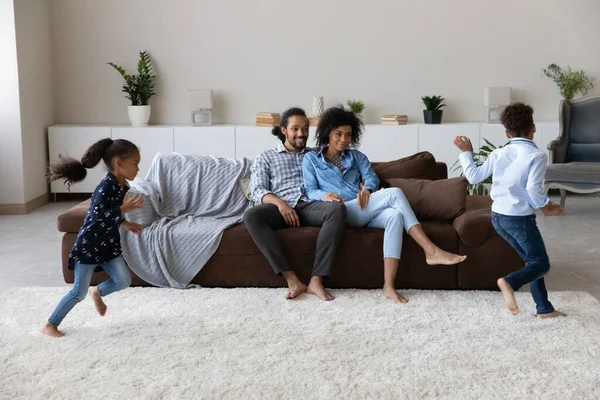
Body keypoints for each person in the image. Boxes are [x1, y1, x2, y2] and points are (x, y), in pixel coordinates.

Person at [303, 106, 467, 303]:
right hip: (339, 212)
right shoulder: (311, 159)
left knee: (394, 216)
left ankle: (388, 286)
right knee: (395, 194)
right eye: (338, 134)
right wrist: (325, 195)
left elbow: (371, 178)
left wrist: (366, 190)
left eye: (348, 135)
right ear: (327, 133)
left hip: (362, 208)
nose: (343, 140)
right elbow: (310, 189)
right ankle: (430, 250)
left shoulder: (357, 157)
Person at [454, 102, 566, 318]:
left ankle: (544, 308)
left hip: (498, 217)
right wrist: (547, 206)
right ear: (534, 127)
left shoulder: (499, 153)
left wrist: (466, 153)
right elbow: (533, 189)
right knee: (540, 263)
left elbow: (474, 177)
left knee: (532, 261)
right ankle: (509, 282)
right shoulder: (537, 156)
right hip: (519, 220)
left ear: (507, 132)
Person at [42, 138, 145, 337]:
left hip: (108, 246)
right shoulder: (105, 186)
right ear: (118, 163)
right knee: (78, 292)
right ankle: (50, 324)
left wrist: (124, 222)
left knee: (123, 279)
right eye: (135, 163)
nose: (138, 169)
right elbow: (97, 216)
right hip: (90, 246)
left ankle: (97, 292)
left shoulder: (123, 186)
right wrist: (124, 209)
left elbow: (110, 215)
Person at [243, 107, 347, 301]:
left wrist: (362, 182)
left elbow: (345, 168)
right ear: (284, 130)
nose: (301, 134)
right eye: (295, 129)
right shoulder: (266, 156)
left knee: (337, 209)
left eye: (305, 129)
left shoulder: (316, 155)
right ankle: (292, 280)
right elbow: (258, 191)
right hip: (278, 208)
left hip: (309, 206)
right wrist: (281, 204)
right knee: (251, 215)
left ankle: (316, 280)